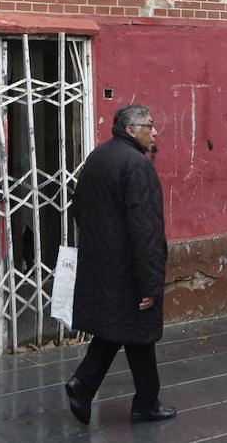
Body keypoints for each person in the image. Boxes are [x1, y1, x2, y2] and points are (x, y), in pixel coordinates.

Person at [64, 105, 176, 425]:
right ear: (130, 130)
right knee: (135, 327)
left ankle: (125, 397)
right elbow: (146, 230)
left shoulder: (98, 158)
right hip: (128, 269)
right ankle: (133, 400)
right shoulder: (137, 166)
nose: (154, 132)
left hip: (103, 264)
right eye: (148, 126)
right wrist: (150, 282)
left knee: (122, 329)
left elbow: (79, 209)